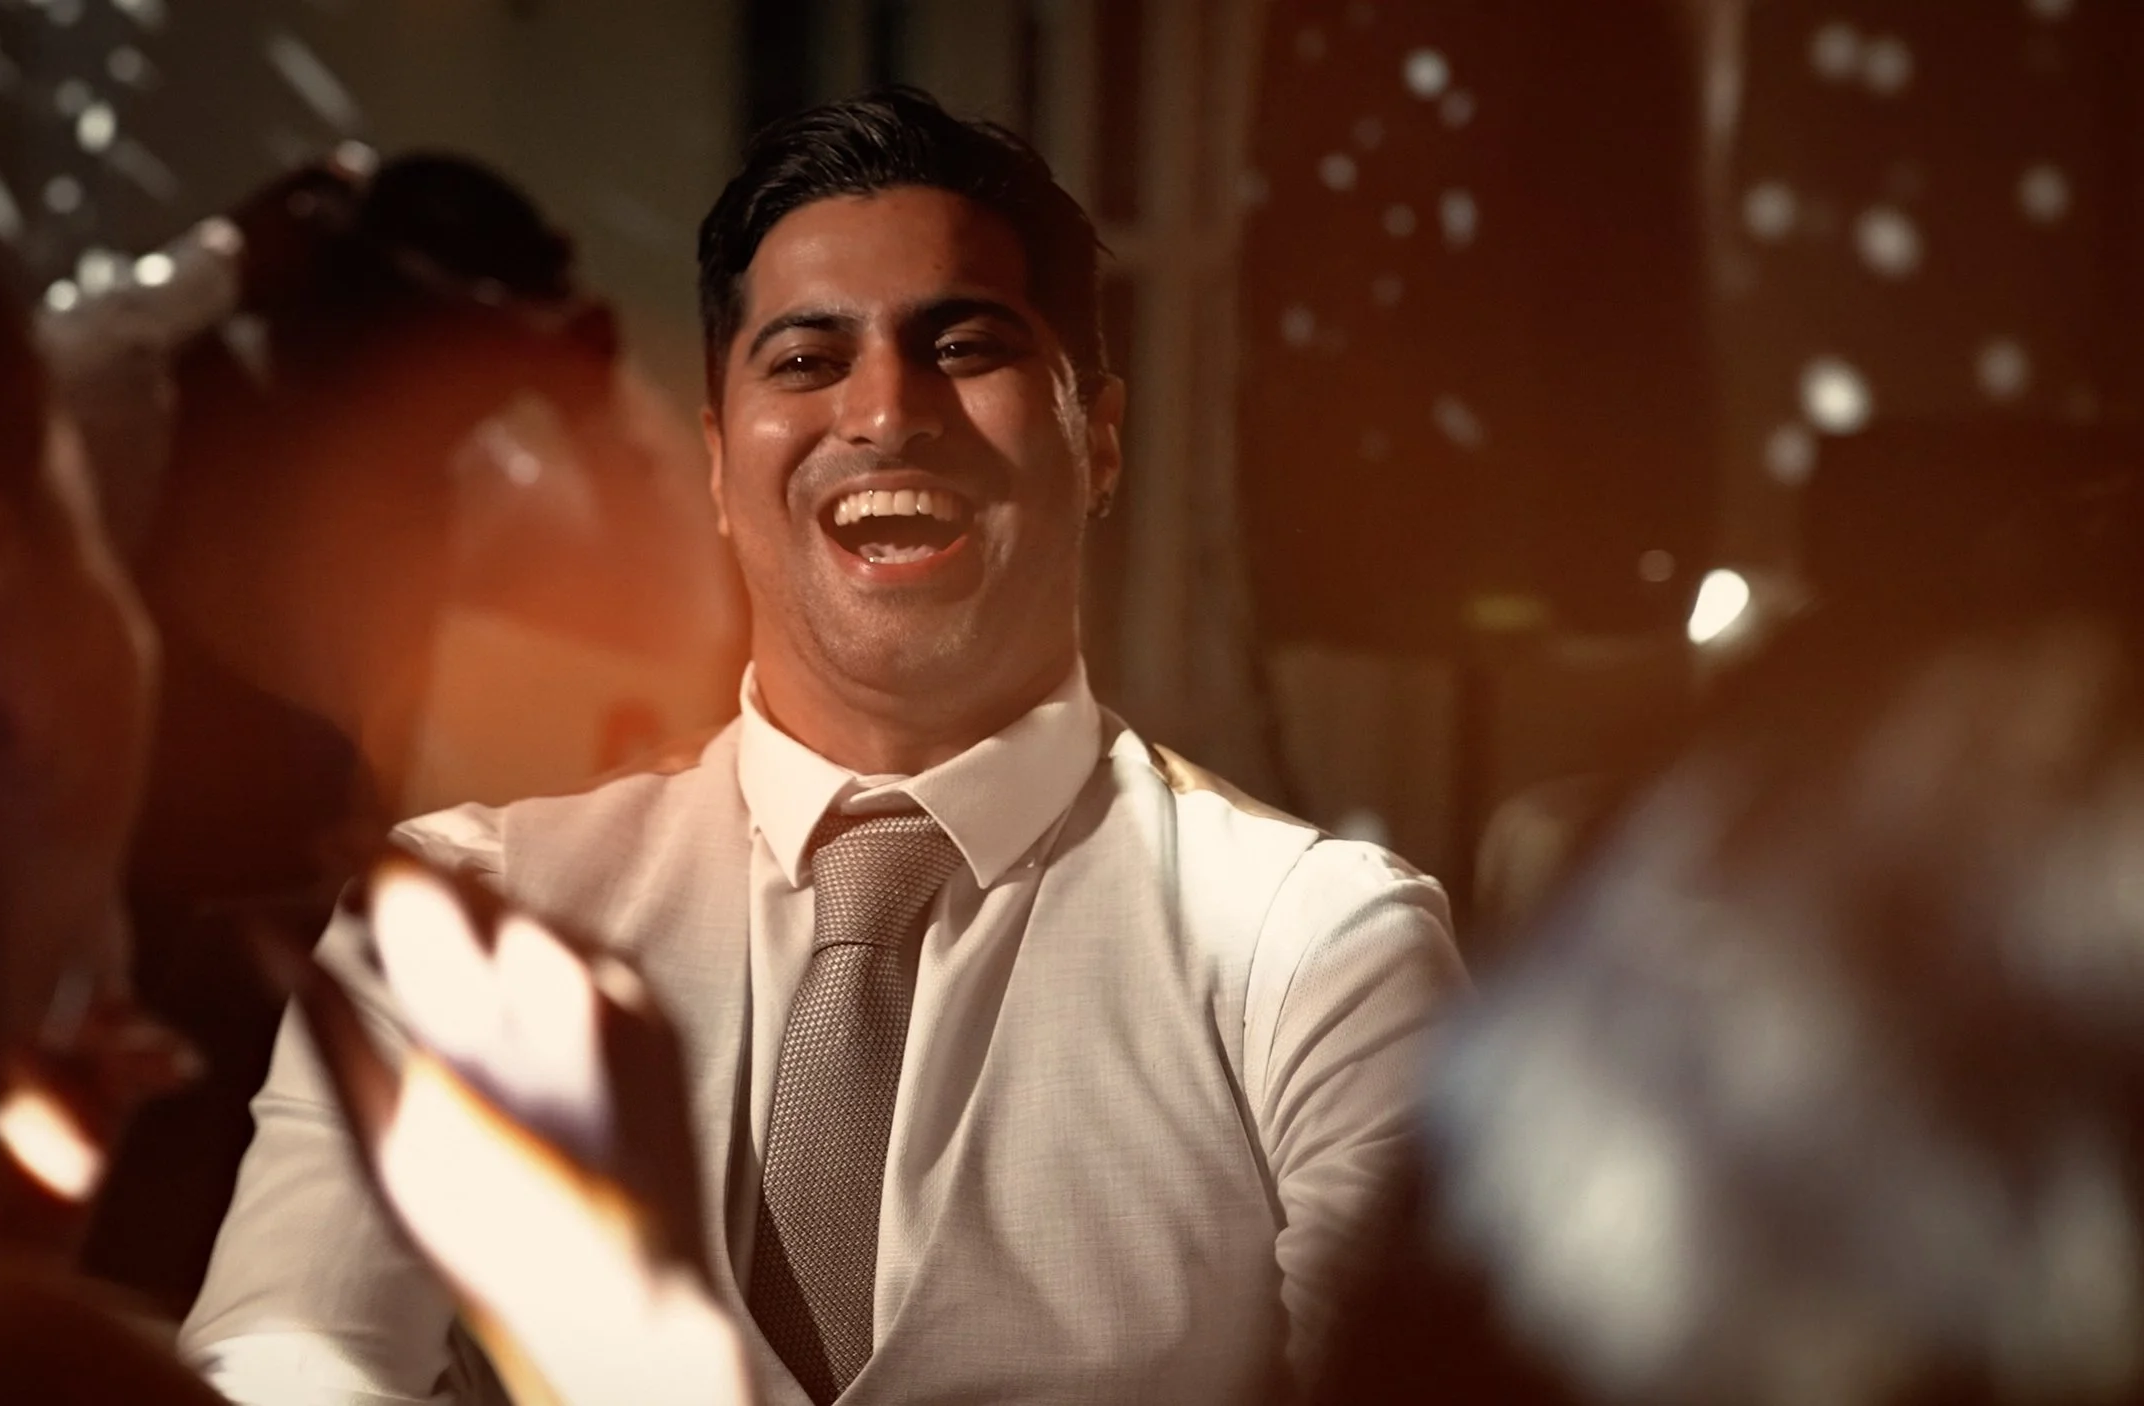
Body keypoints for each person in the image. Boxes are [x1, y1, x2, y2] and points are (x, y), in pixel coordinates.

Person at [182, 87, 1464, 1406]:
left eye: (965, 345)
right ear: (724, 460)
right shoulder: (467, 914)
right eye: (806, 359)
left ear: (1104, 443)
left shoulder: (1316, 949)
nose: (885, 411)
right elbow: (281, 1370)